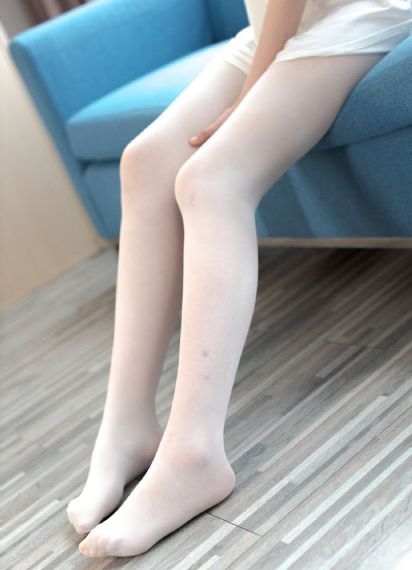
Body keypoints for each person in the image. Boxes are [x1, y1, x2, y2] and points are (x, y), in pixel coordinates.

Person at [66, 0, 412, 558]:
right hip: (276, 20)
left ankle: (194, 452)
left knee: (210, 180)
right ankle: (127, 425)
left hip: (358, 8)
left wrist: (252, 92)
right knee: (145, 161)